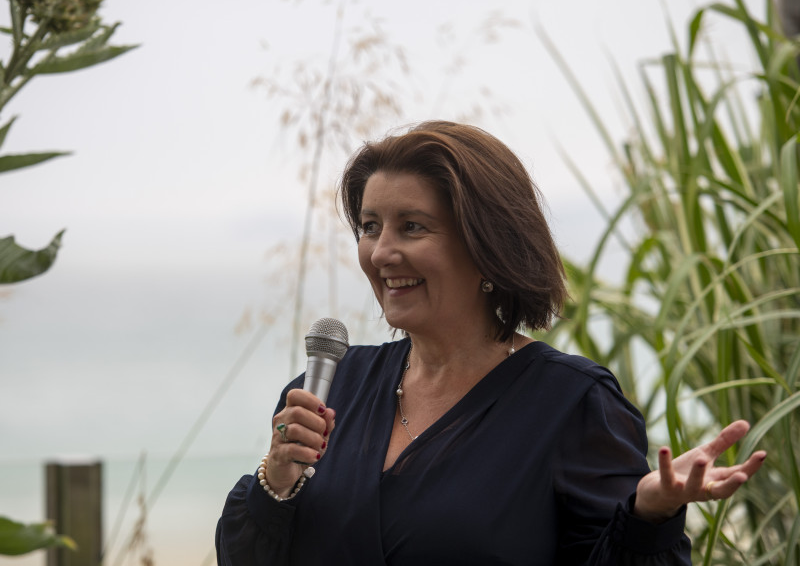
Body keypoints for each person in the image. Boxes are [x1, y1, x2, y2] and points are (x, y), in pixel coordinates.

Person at [216, 121, 766, 565]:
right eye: (370, 226)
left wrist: (647, 516)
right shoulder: (331, 388)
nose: (381, 253)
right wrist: (276, 481)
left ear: (486, 245)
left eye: (412, 227)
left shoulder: (572, 404)